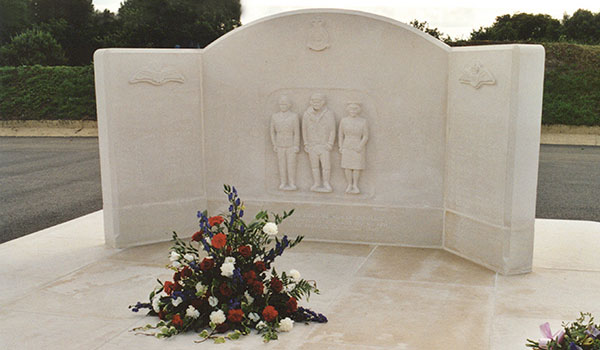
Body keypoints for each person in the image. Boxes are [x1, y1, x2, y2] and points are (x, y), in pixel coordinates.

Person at [302, 93, 336, 192]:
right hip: (312, 145)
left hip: (324, 145)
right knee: (314, 166)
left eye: (318, 101)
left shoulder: (328, 114)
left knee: (326, 166)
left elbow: (332, 130)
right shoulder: (306, 114)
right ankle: (316, 183)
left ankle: (326, 183)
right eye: (313, 101)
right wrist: (306, 143)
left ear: (323, 102)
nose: (315, 103)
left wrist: (330, 143)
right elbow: (304, 129)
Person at [270, 95, 300, 190]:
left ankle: (291, 182)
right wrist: (274, 144)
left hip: (290, 143)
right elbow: (272, 131)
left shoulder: (294, 116)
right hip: (280, 143)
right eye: (281, 104)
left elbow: (296, 132)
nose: (283, 106)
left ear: (289, 105)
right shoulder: (275, 116)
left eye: (285, 104)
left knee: (291, 164)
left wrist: (296, 145)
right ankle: (283, 182)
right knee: (281, 164)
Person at [338, 102, 368, 194]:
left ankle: (355, 184)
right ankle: (349, 184)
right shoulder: (344, 120)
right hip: (347, 144)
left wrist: (360, 145)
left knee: (356, 167)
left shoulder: (363, 121)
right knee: (347, 166)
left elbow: (366, 136)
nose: (353, 111)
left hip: (357, 145)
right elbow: (340, 135)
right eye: (351, 109)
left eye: (355, 109)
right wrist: (341, 146)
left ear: (358, 110)